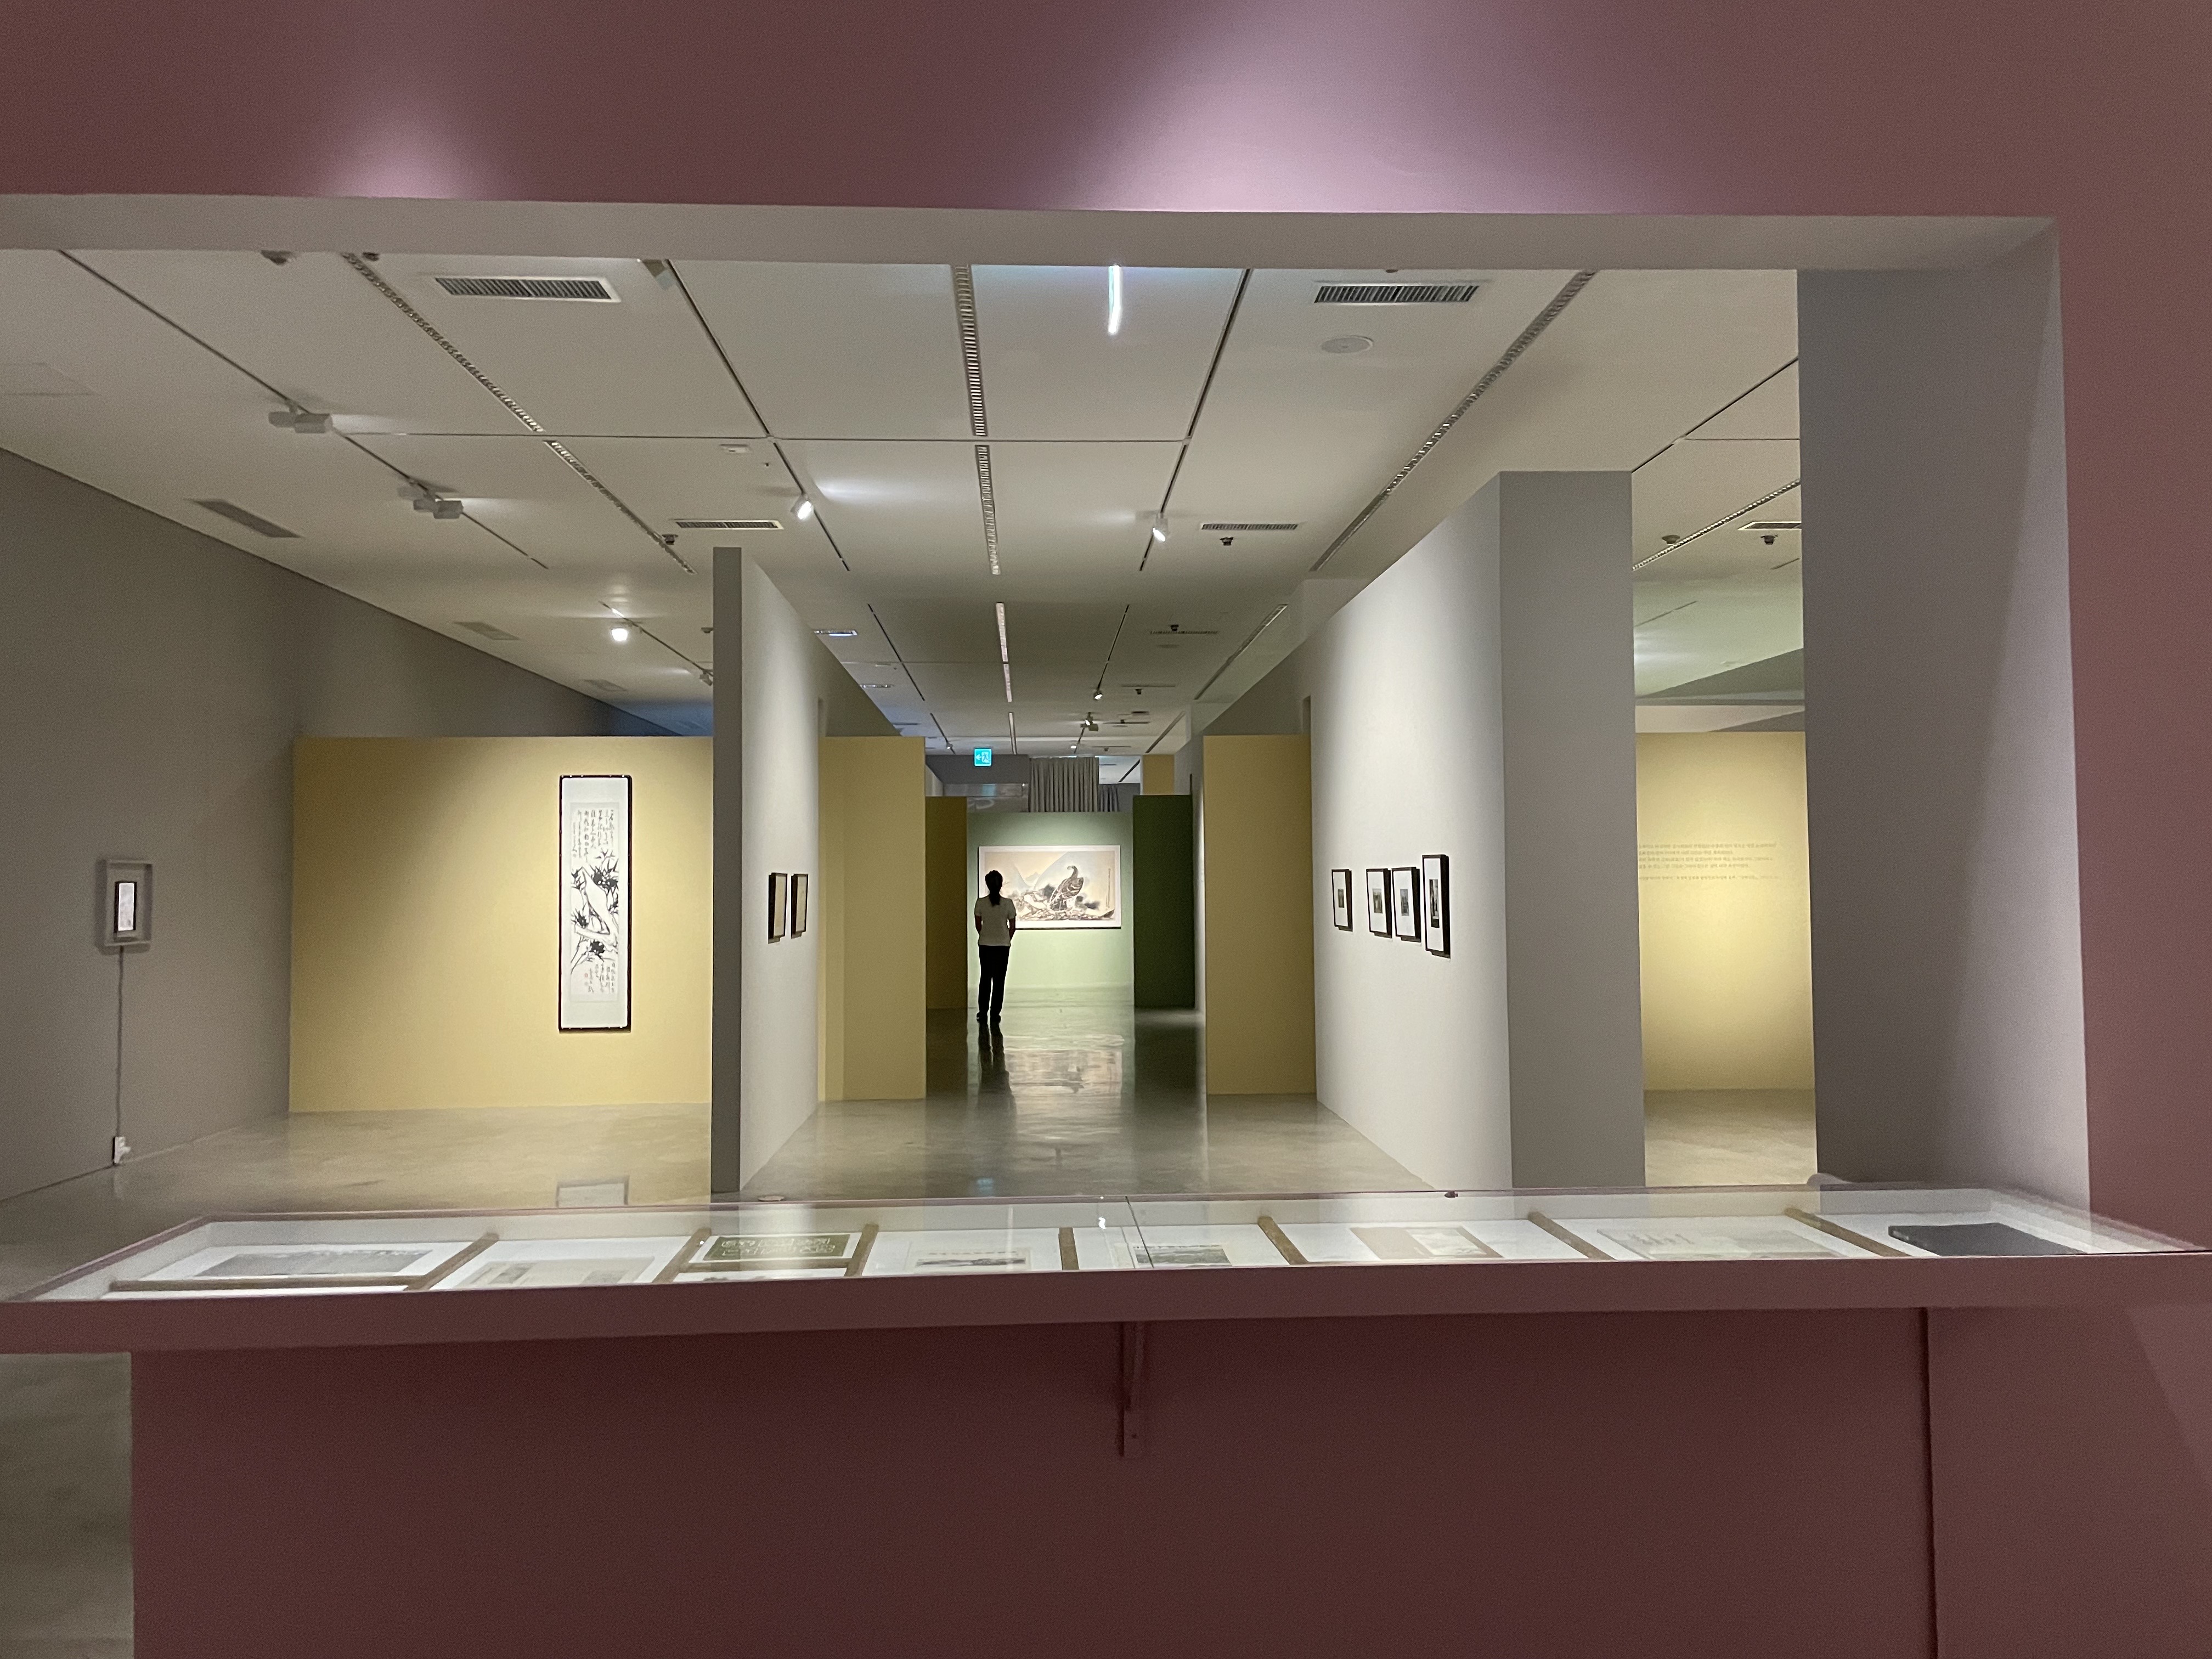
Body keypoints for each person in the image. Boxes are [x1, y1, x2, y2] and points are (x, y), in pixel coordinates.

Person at [974, 868, 1017, 1025]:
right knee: (999, 980)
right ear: (1001, 885)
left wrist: (986, 935)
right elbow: (1013, 927)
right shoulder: (1008, 904)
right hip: (1003, 946)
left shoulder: (980, 903)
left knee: (985, 978)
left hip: (985, 944)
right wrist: (1005, 938)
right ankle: (995, 1013)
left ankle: (983, 1012)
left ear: (987, 884)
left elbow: (978, 925)